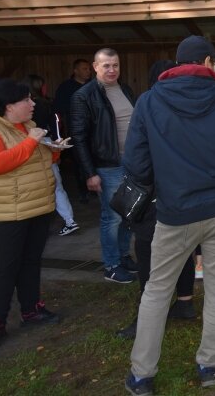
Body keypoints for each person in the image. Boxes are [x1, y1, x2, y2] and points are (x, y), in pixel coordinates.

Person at [124, 35, 215, 394]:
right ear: (207, 63)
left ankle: (142, 374)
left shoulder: (149, 102)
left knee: (157, 289)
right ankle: (209, 366)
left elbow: (136, 165)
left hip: (174, 212)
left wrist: (169, 179)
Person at [115, 60, 196, 341]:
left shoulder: (147, 105)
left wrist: (144, 182)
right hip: (185, 194)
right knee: (185, 247)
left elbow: (136, 158)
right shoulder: (188, 106)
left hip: (154, 197)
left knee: (149, 254)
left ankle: (146, 318)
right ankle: (185, 302)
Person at [0, 79, 61, 348]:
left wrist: (54, 150)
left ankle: (31, 309)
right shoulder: (0, 129)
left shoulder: (30, 127)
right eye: (27, 100)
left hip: (38, 206)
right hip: (10, 213)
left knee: (31, 262)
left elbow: (42, 160)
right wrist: (31, 144)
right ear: (10, 106)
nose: (32, 104)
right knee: (4, 269)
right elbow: (0, 164)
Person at [69, 48, 137, 284]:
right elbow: (78, 137)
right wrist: (90, 173)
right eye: (106, 65)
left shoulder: (125, 89)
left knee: (129, 214)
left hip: (132, 164)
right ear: (95, 67)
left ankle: (124, 256)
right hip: (107, 167)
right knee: (113, 217)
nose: (111, 70)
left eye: (115, 65)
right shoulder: (83, 96)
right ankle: (111, 265)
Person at [24, 75, 79, 236]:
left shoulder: (32, 106)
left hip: (36, 144)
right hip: (46, 144)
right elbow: (56, 123)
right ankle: (69, 220)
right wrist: (57, 141)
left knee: (41, 186)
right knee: (55, 185)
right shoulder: (47, 104)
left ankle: (37, 226)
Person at [52, 59, 91, 204]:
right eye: (84, 68)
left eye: (89, 69)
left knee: (94, 159)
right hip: (74, 130)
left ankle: (94, 188)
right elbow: (58, 111)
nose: (88, 71)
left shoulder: (94, 86)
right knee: (79, 161)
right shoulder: (66, 88)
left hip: (93, 130)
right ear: (75, 71)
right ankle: (83, 190)